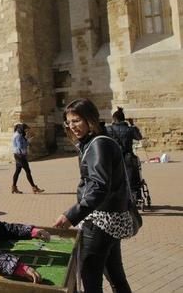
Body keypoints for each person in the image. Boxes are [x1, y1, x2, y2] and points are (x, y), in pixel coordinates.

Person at [54, 98, 133, 293]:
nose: (72, 126)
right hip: (111, 220)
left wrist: (71, 215)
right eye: (69, 122)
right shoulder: (96, 142)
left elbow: (98, 187)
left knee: (90, 280)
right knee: (116, 277)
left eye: (77, 120)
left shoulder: (98, 144)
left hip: (100, 221)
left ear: (91, 119)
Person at [106, 107, 143, 199]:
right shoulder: (130, 129)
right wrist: (132, 124)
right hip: (128, 157)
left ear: (114, 119)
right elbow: (139, 137)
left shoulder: (108, 129)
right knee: (132, 177)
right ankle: (134, 193)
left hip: (113, 158)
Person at [11, 124, 44, 194]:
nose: (26, 131)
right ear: (22, 129)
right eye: (26, 129)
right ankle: (34, 188)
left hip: (17, 155)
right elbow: (20, 146)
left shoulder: (16, 134)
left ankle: (13, 187)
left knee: (17, 171)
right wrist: (28, 142)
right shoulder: (18, 136)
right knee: (28, 171)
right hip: (20, 156)